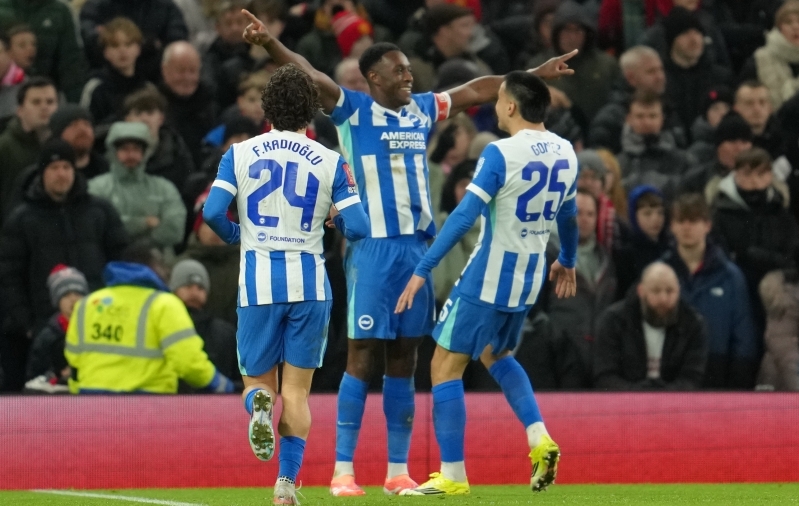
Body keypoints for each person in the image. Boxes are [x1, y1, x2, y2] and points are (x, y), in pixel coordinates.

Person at [240, 7, 577, 497]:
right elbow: (309, 74)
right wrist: (270, 42)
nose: (408, 75)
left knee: (405, 359)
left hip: (417, 246)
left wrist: (530, 77)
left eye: (408, 68)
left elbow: (478, 89)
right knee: (361, 357)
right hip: (373, 250)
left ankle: (397, 470)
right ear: (373, 77)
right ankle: (343, 471)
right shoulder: (352, 109)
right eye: (397, 70)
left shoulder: (423, 109)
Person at [394, 71, 578, 495]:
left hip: (490, 273)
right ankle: (539, 437)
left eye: (498, 99)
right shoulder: (566, 151)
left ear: (510, 106)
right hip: (529, 275)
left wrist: (423, 268)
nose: (495, 106)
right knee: (497, 353)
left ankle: (452, 475)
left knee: (444, 364)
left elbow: (464, 216)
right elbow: (568, 217)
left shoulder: (500, 152)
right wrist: (567, 259)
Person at [202, 63, 370, 506]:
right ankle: (285, 486)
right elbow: (359, 227)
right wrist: (333, 220)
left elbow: (211, 213)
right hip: (309, 285)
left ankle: (259, 402)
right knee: (296, 392)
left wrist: (239, 236)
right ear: (312, 110)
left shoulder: (239, 154)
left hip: (258, 284)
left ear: (267, 108)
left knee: (259, 384)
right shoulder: (331, 160)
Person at [0, 139, 128, 391]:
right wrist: (27, 323)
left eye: (67, 167)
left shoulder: (100, 211)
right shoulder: (22, 219)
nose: (61, 174)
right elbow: (9, 275)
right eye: (54, 168)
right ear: (42, 173)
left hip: (99, 326)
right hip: (44, 331)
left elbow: (121, 262)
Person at [64, 241, 235, 394]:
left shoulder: (88, 304)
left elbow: (74, 360)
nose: (166, 271)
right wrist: (222, 385)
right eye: (161, 265)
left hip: (91, 404)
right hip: (147, 405)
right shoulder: (164, 305)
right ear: (152, 267)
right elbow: (189, 362)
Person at [662, 194, 759, 389]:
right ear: (672, 226)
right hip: (669, 375)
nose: (687, 227)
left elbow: (743, 335)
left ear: (707, 225)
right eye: (681, 221)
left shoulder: (730, 276)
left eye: (694, 220)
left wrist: (738, 383)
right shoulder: (659, 273)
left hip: (717, 372)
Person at [711, 148, 799, 335]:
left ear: (770, 176)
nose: (754, 181)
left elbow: (792, 253)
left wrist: (777, 270)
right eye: (747, 174)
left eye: (761, 174)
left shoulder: (781, 212)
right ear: (735, 175)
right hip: (736, 292)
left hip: (778, 293)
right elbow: (721, 254)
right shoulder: (720, 213)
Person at [593, 262, 709, 390]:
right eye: (656, 291)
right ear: (641, 291)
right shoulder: (613, 321)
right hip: (626, 400)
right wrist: (640, 395)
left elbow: (692, 379)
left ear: (679, 291)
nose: (663, 299)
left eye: (670, 291)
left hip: (674, 401)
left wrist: (662, 397)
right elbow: (605, 377)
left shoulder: (693, 324)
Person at [544, 189, 617, 388]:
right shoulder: (548, 257)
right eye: (578, 213)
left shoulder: (607, 260)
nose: (584, 219)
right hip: (560, 358)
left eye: (590, 214)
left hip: (601, 358)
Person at [88, 121, 187, 257]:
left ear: (145, 153)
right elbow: (95, 229)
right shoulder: (96, 187)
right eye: (125, 149)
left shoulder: (164, 188)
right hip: (110, 261)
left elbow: (175, 230)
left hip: (157, 263)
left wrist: (140, 244)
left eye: (136, 149)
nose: (131, 155)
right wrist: (144, 223)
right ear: (113, 152)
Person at [169, 259, 240, 387]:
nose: (194, 292)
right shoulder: (164, 326)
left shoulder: (225, 333)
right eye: (188, 286)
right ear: (173, 290)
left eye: (200, 288)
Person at [24, 265, 89, 393]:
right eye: (66, 295)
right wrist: (57, 375)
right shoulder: (48, 336)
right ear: (57, 301)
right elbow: (35, 375)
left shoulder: (95, 329)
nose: (73, 299)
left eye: (78, 294)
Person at [0, 77, 58, 220]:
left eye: (50, 102)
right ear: (20, 110)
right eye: (36, 102)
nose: (44, 107)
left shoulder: (62, 145)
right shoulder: (5, 147)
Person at [80, 17, 154, 126]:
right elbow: (86, 126)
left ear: (138, 49)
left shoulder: (148, 88)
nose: (122, 51)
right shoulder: (96, 87)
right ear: (105, 52)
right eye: (115, 45)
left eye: (128, 44)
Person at [617, 91, 692, 199]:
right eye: (640, 116)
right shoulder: (617, 164)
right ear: (629, 119)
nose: (647, 122)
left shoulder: (683, 162)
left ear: (662, 119)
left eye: (652, 116)